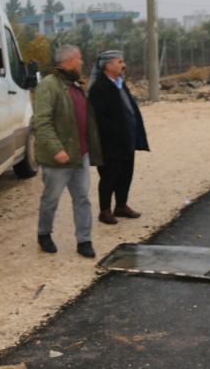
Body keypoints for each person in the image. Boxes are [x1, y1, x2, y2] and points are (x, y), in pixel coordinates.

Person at [34, 44, 103, 258]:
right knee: (51, 200)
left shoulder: (74, 85)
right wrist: (57, 150)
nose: (82, 63)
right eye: (79, 58)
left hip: (80, 155)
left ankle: (84, 240)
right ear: (69, 62)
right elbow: (42, 122)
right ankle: (44, 234)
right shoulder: (49, 86)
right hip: (59, 159)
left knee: (82, 199)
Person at [89, 50, 150, 225]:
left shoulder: (120, 84)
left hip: (127, 141)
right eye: (119, 62)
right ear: (108, 65)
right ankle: (105, 211)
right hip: (111, 143)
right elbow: (99, 118)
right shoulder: (99, 88)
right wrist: (117, 131)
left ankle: (121, 206)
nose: (124, 65)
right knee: (110, 176)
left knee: (126, 174)